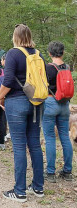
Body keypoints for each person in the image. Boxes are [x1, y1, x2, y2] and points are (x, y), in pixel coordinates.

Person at [0, 24, 45, 203]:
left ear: (15, 37)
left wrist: (0, 97)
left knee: (19, 146)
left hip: (17, 102)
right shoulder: (38, 54)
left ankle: (19, 191)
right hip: (36, 103)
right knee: (34, 144)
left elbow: (8, 80)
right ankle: (38, 187)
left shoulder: (13, 53)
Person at [42, 41, 73, 182]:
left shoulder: (48, 68)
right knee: (65, 138)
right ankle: (67, 171)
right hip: (65, 104)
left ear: (49, 53)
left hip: (50, 102)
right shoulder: (67, 67)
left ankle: (50, 173)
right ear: (63, 52)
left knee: (50, 138)